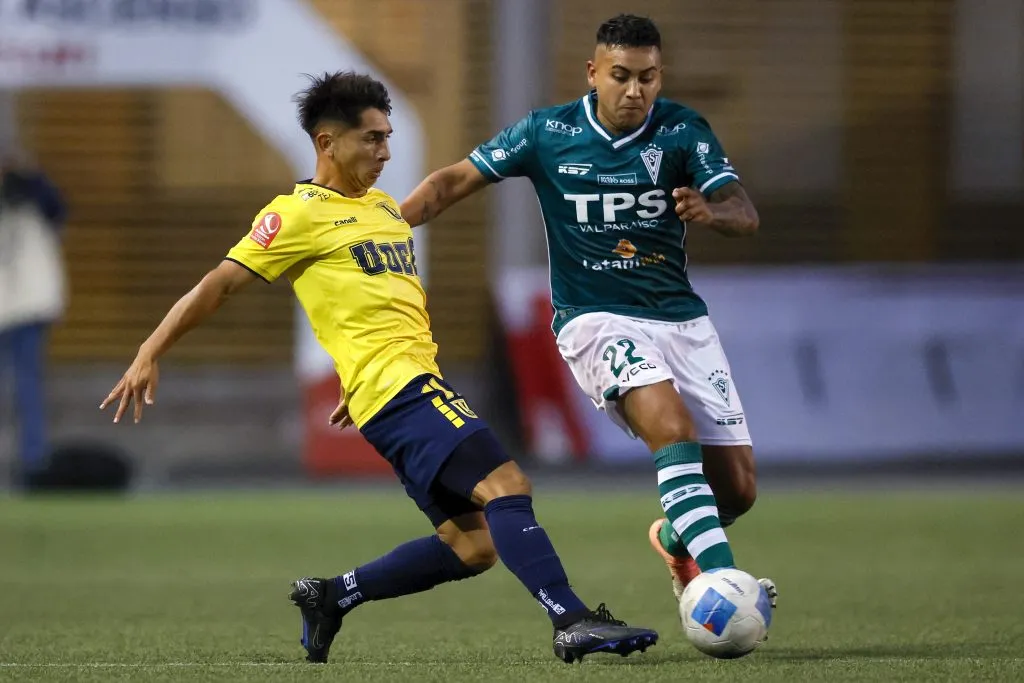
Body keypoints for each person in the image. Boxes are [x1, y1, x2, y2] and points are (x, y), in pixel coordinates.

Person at [100, 71, 657, 665]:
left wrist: (358, 375)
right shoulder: (294, 215)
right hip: (403, 392)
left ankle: (332, 596)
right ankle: (571, 620)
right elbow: (219, 285)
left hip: (393, 391)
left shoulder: (385, 210)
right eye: (371, 139)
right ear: (326, 143)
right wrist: (150, 349)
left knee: (472, 547)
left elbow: (373, 299)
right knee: (508, 485)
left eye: (388, 137)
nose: (385, 151)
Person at [400, 15, 777, 608]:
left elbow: (743, 212)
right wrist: (383, 226)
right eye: (622, 76)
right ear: (593, 73)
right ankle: (727, 586)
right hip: (595, 319)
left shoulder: (683, 131)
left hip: (680, 319)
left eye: (648, 78)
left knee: (737, 490)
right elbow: (451, 182)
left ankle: (678, 542)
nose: (635, 91)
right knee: (671, 429)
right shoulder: (547, 132)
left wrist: (710, 210)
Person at [0, 151, 67, 482]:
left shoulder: (32, 194)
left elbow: (57, 208)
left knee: (28, 386)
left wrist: (28, 174)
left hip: (27, 306)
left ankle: (33, 465)